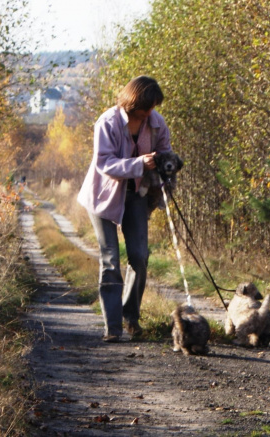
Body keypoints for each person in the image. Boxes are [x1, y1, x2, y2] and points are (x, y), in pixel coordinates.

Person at [77, 76, 173, 343]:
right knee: (110, 259)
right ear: (134, 102)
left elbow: (166, 153)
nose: (150, 113)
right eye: (147, 107)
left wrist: (167, 168)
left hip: (137, 195)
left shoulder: (157, 123)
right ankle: (113, 327)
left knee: (139, 256)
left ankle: (131, 318)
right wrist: (140, 163)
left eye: (154, 107)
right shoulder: (107, 122)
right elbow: (105, 164)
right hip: (103, 197)